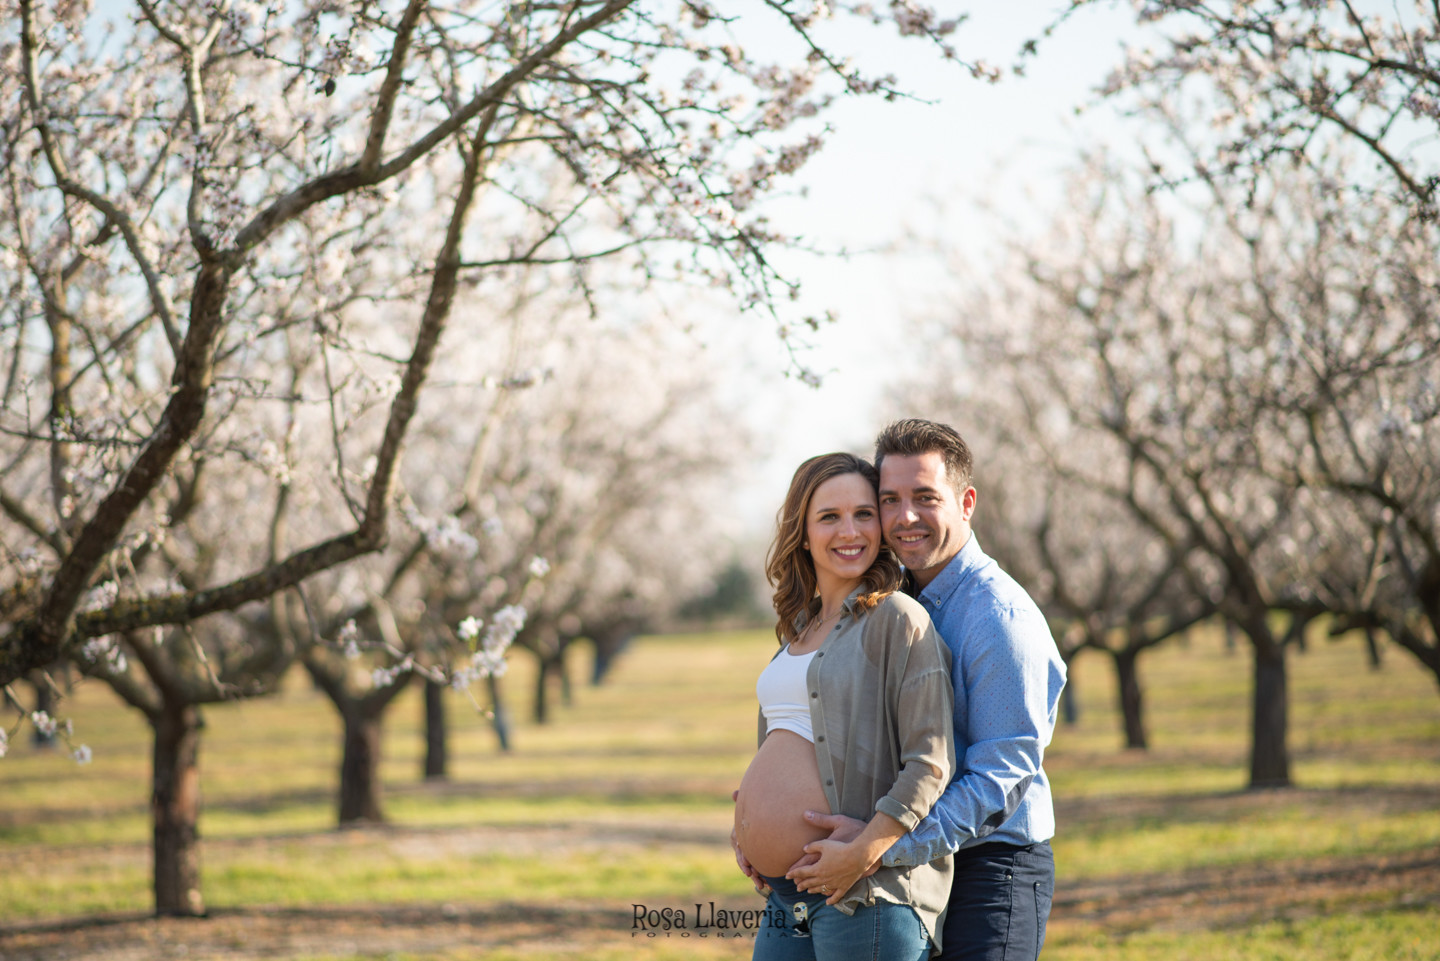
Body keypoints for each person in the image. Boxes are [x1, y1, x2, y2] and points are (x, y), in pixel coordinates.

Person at [786, 420, 1067, 961]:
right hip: (908, 865)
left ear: (966, 503)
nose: (905, 518)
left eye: (925, 498)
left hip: (992, 869)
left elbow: (1001, 776)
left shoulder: (999, 618)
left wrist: (881, 846)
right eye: (889, 500)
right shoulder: (886, 603)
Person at [732, 452, 956, 960]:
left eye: (863, 514)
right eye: (829, 516)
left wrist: (866, 848)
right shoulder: (799, 628)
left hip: (865, 894)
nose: (849, 531)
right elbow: (786, 741)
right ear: (802, 532)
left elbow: (931, 761)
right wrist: (747, 824)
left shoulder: (898, 619)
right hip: (785, 896)